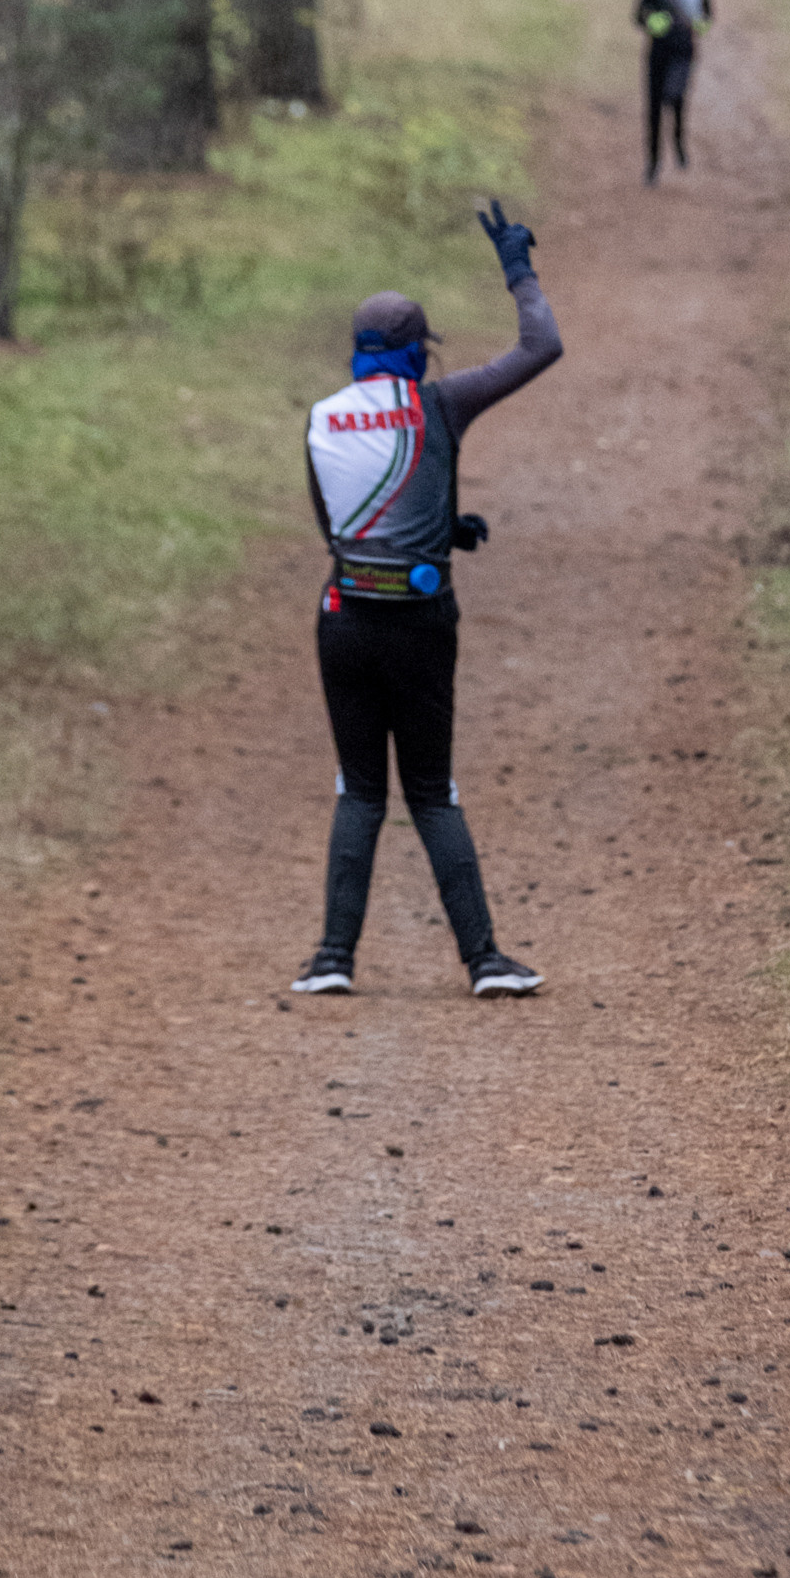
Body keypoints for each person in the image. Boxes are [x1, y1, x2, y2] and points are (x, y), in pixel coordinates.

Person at [291, 199, 560, 999]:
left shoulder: (321, 419)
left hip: (343, 619)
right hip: (419, 625)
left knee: (360, 789)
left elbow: (337, 532)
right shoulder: (438, 404)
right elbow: (542, 345)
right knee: (432, 792)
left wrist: (440, 524)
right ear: (418, 353)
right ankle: (484, 962)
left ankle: (332, 961)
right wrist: (518, 268)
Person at [634, 0, 713, 183]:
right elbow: (638, 15)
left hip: (683, 50)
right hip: (658, 51)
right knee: (654, 107)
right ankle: (653, 164)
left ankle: (679, 144)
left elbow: (707, 15)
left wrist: (696, 26)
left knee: (675, 97)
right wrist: (653, 23)